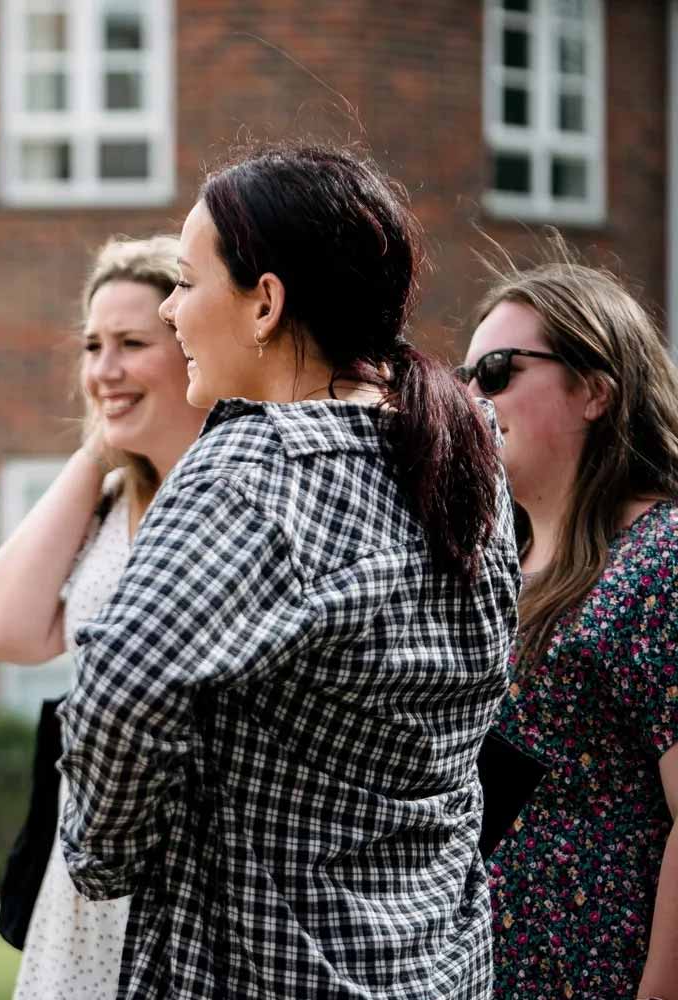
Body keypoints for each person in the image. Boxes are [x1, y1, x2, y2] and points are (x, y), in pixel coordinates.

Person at [56, 143, 520, 998]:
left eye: (187, 286)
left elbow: (122, 681)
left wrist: (102, 854)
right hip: (436, 961)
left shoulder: (255, 465)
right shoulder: (464, 448)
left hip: (265, 968)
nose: (172, 316)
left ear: (264, 302)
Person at [0, 236, 206, 999]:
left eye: (132, 344)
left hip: (197, 861)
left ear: (193, 347)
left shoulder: (235, 502)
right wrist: (95, 456)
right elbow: (3, 629)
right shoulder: (105, 507)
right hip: (85, 867)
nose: (104, 370)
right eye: (92, 346)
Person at [463, 257, 678, 998]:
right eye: (465, 379)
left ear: (594, 390)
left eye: (496, 371)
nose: (473, 397)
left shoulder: (661, 557)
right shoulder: (501, 562)